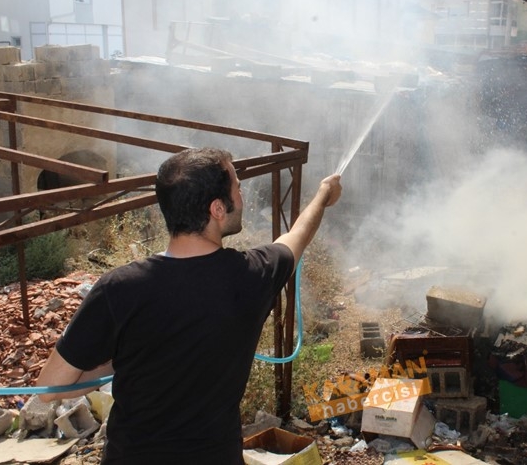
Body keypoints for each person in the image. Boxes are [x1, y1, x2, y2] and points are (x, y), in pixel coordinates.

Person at [36, 147, 342, 465]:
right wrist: (323, 195)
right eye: (238, 187)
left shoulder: (118, 288)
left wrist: (123, 358)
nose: (243, 196)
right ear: (217, 209)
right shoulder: (252, 276)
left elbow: (49, 388)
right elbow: (297, 236)